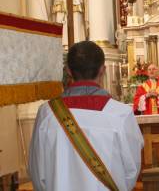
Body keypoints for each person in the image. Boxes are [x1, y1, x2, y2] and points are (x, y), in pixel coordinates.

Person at [29, 41, 143, 191]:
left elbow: (37, 172)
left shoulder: (47, 113)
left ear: (68, 70)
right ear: (103, 70)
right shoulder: (120, 114)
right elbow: (131, 172)